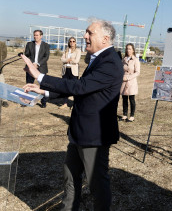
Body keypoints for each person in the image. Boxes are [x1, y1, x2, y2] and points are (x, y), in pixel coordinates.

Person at [22, 20, 123, 211]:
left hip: (94, 136)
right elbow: (82, 89)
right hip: (79, 131)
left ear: (105, 38)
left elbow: (80, 87)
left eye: (89, 33)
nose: (84, 36)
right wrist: (43, 91)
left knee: (97, 184)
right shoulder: (98, 58)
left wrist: (40, 75)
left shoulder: (110, 61)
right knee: (70, 177)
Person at [24, 29, 50, 108]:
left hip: (41, 67)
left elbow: (46, 57)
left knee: (43, 86)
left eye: (37, 35)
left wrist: (37, 64)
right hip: (30, 67)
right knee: (29, 85)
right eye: (34, 35)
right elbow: (27, 55)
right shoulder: (29, 44)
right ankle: (28, 101)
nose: (35, 37)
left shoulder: (46, 45)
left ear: (41, 36)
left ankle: (43, 102)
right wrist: (31, 65)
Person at [120, 43, 140, 122]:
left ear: (133, 50)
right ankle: (124, 114)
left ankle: (132, 116)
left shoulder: (135, 60)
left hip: (131, 81)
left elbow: (137, 72)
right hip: (123, 81)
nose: (128, 50)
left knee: (131, 99)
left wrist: (128, 77)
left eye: (130, 49)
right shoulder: (124, 59)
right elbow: (121, 70)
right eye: (127, 49)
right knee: (124, 98)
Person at [59, 37, 81, 109]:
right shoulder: (66, 50)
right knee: (65, 87)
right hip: (65, 70)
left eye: (73, 41)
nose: (72, 42)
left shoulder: (78, 50)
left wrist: (68, 60)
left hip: (73, 71)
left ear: (75, 42)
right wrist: (68, 60)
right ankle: (65, 103)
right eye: (70, 41)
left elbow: (77, 61)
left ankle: (75, 104)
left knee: (74, 87)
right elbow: (61, 59)